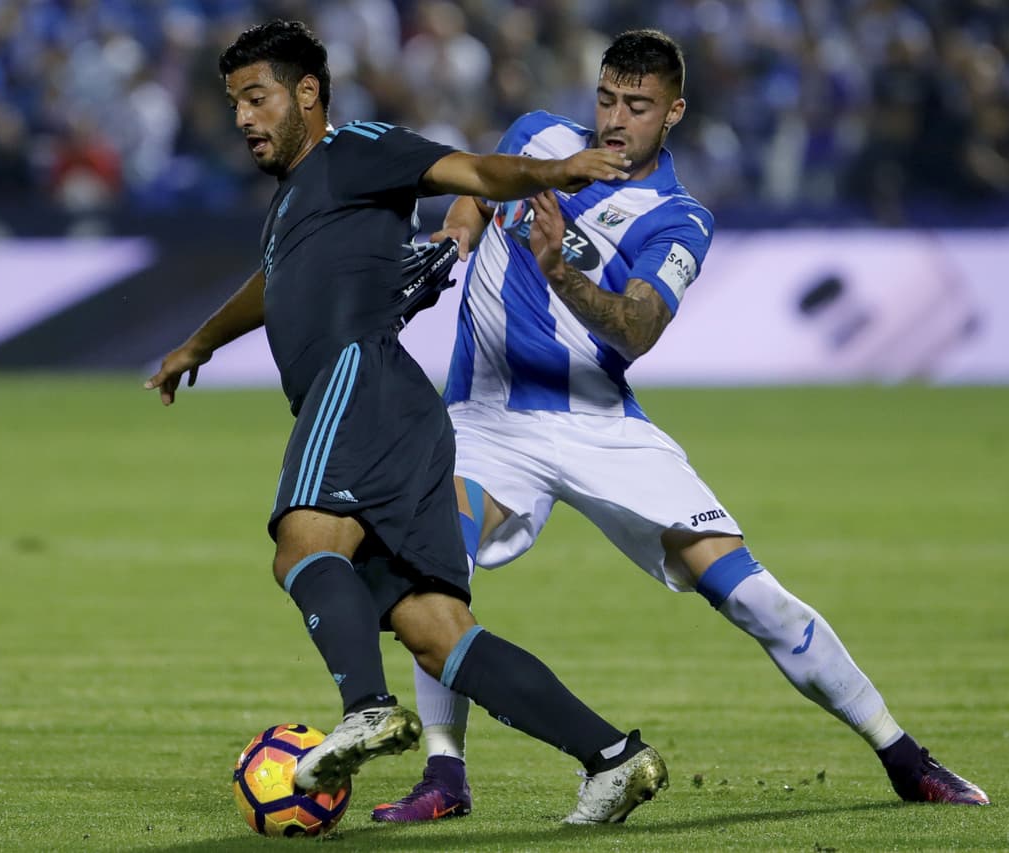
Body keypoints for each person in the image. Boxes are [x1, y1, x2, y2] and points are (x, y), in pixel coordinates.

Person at [371, 28, 989, 824]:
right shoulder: (538, 137)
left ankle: (904, 755)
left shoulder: (677, 216)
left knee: (751, 595)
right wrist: (457, 231)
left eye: (638, 106)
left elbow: (638, 328)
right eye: (607, 99)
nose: (615, 119)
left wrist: (559, 270)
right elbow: (480, 184)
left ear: (674, 113)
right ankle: (445, 775)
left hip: (601, 425)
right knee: (432, 569)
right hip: (486, 419)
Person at [144, 19, 670, 826]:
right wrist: (198, 341)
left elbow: (470, 169)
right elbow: (274, 281)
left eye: (257, 98)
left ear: (307, 94)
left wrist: (556, 169)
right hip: (403, 416)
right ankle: (612, 756)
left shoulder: (356, 149)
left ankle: (366, 707)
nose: (244, 117)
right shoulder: (298, 201)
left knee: (302, 542)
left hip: (360, 379)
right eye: (235, 103)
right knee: (436, 629)